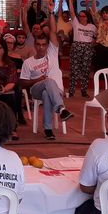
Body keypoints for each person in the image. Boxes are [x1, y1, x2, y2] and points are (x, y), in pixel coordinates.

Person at [19, 11, 74, 140]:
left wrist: (51, 12)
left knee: (46, 94)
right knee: (48, 82)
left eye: (44, 45)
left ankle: (48, 129)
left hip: (56, 91)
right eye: (38, 45)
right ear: (35, 45)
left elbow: (53, 31)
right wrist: (38, 80)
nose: (41, 47)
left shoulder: (52, 53)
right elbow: (22, 82)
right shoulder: (28, 62)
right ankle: (61, 109)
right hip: (36, 89)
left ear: (48, 45)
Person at [66, 0, 96, 98]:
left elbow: (96, 38)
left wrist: (91, 44)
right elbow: (72, 12)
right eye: (80, 16)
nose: (81, 17)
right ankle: (71, 91)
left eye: (83, 16)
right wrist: (70, 0)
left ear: (87, 17)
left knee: (85, 70)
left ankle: (83, 91)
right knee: (74, 69)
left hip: (87, 48)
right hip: (76, 46)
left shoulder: (92, 27)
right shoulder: (76, 24)